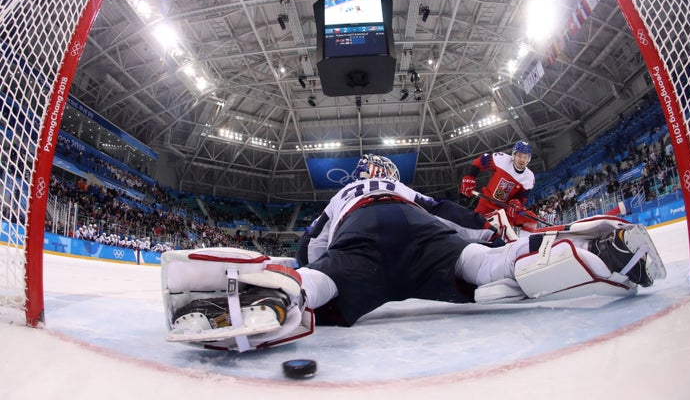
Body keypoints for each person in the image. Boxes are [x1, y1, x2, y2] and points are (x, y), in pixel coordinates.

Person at [161, 154, 663, 351]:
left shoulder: (341, 196)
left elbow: (310, 244)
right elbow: (448, 212)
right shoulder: (402, 190)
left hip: (363, 236)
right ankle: (596, 249)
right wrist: (489, 235)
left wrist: (309, 266)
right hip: (420, 233)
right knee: (490, 268)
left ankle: (268, 296)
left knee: (323, 281)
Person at [460, 140, 537, 230]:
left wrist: (517, 203)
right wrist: (470, 176)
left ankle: (526, 241)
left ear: (529, 159)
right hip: (486, 205)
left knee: (531, 219)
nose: (522, 160)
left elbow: (522, 197)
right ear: (514, 155)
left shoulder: (529, 177)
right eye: (519, 155)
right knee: (475, 228)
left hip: (506, 209)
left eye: (525, 157)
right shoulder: (501, 159)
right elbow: (479, 162)